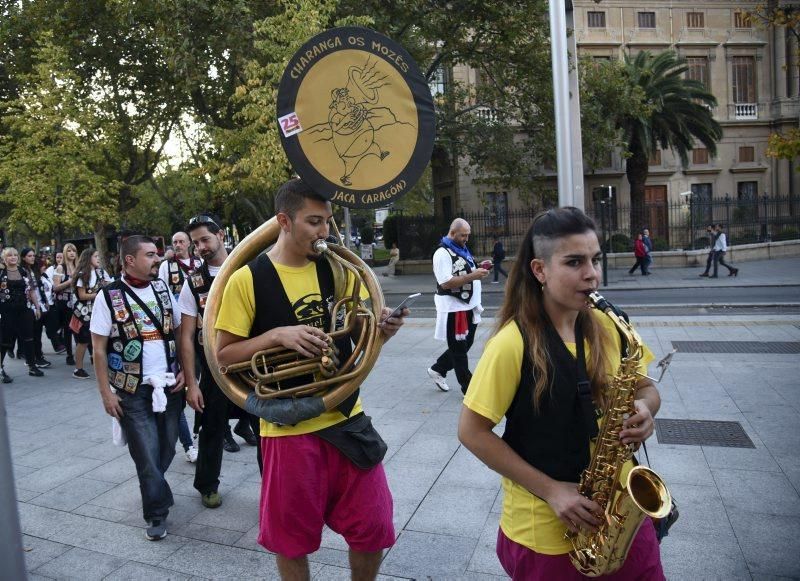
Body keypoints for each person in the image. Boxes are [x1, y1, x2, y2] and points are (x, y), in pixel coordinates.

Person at [457, 207, 664, 580]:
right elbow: (472, 432)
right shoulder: (512, 343)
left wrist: (645, 409)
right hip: (547, 537)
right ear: (540, 270)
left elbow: (647, 387)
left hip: (623, 523)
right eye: (574, 262)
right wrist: (552, 491)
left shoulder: (608, 324)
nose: (592, 273)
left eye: (595, 260)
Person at [214, 178, 405, 580]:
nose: (325, 232)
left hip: (348, 418)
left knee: (374, 529)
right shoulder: (245, 279)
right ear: (284, 221)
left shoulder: (340, 271)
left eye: (328, 221)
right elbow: (224, 356)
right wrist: (276, 335)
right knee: (291, 540)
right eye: (314, 222)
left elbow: (355, 345)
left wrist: (380, 334)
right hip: (288, 428)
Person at [91, 235, 185, 541]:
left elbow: (180, 331)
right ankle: (156, 513)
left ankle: (155, 488)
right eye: (150, 255)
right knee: (146, 453)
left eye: (157, 254)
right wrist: (106, 392)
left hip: (169, 384)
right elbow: (99, 349)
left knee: (168, 447)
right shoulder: (108, 296)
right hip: (131, 390)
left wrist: (186, 372)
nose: (157, 259)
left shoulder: (162, 288)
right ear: (130, 259)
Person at [180, 213, 261, 508]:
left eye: (205, 239)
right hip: (215, 370)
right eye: (195, 242)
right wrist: (192, 383)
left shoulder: (253, 269)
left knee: (265, 429)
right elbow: (186, 335)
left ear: (221, 234)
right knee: (211, 429)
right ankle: (207, 486)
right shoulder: (193, 282)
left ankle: (274, 488)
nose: (200, 246)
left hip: (254, 368)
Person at [426, 218, 488, 394]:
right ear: (452, 233)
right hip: (454, 308)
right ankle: (469, 388)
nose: (466, 239)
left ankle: (438, 369)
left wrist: (477, 270)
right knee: (459, 350)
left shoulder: (460, 248)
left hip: (467, 306)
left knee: (464, 345)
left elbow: (464, 272)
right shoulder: (442, 253)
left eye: (468, 235)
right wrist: (473, 275)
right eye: (463, 235)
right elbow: (445, 283)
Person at [157, 231, 202, 464]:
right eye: (174, 241)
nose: (177, 244)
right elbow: (163, 293)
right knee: (184, 386)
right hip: (179, 324)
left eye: (180, 241)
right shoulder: (166, 267)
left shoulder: (199, 263)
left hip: (200, 325)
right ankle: (188, 442)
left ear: (188, 244)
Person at [0, 247, 44, 380]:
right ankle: (1, 368)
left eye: (15, 255)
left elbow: (31, 291)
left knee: (29, 338)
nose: (13, 257)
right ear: (4, 258)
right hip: (6, 311)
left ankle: (32, 366)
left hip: (24, 310)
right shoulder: (1, 274)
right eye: (9, 255)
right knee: (5, 341)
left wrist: (37, 307)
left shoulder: (24, 271)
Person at [72, 248, 113, 379]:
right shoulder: (82, 274)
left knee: (101, 339)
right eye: (96, 256)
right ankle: (78, 369)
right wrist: (100, 294)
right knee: (83, 342)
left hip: (98, 310)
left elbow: (109, 284)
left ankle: (101, 366)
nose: (98, 259)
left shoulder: (101, 272)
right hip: (84, 313)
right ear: (88, 258)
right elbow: (82, 295)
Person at [51, 244, 79, 366]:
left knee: (80, 328)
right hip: (64, 303)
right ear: (64, 253)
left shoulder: (78, 267)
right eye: (69, 251)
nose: (72, 253)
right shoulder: (60, 268)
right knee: (68, 329)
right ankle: (69, 354)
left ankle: (81, 353)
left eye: (74, 250)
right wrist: (69, 281)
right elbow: (55, 288)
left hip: (78, 301)